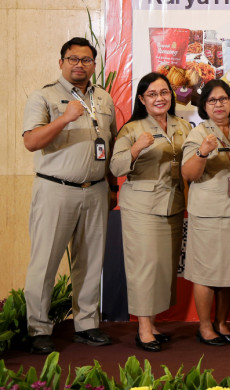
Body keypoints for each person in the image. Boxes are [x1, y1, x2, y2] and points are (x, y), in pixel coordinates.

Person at [22, 37, 117, 354]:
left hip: (96, 190)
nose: (79, 65)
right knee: (45, 261)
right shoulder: (44, 96)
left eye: (86, 60)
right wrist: (64, 118)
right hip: (56, 189)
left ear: (94, 65)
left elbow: (110, 143)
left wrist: (112, 186)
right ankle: (38, 329)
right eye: (73, 59)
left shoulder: (103, 98)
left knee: (90, 261)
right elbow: (31, 142)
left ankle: (86, 325)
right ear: (61, 62)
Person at [110, 72, 192, 352]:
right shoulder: (132, 129)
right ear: (142, 100)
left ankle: (153, 324)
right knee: (145, 267)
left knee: (163, 267)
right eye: (152, 94)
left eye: (164, 92)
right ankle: (143, 329)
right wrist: (136, 148)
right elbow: (116, 167)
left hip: (173, 203)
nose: (160, 98)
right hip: (141, 207)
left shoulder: (182, 125)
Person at [181, 80, 230, 347]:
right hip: (208, 213)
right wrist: (202, 152)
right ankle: (205, 326)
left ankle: (222, 322)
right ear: (204, 106)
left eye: (223, 99)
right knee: (206, 272)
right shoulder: (198, 133)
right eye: (212, 100)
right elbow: (188, 174)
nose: (219, 104)